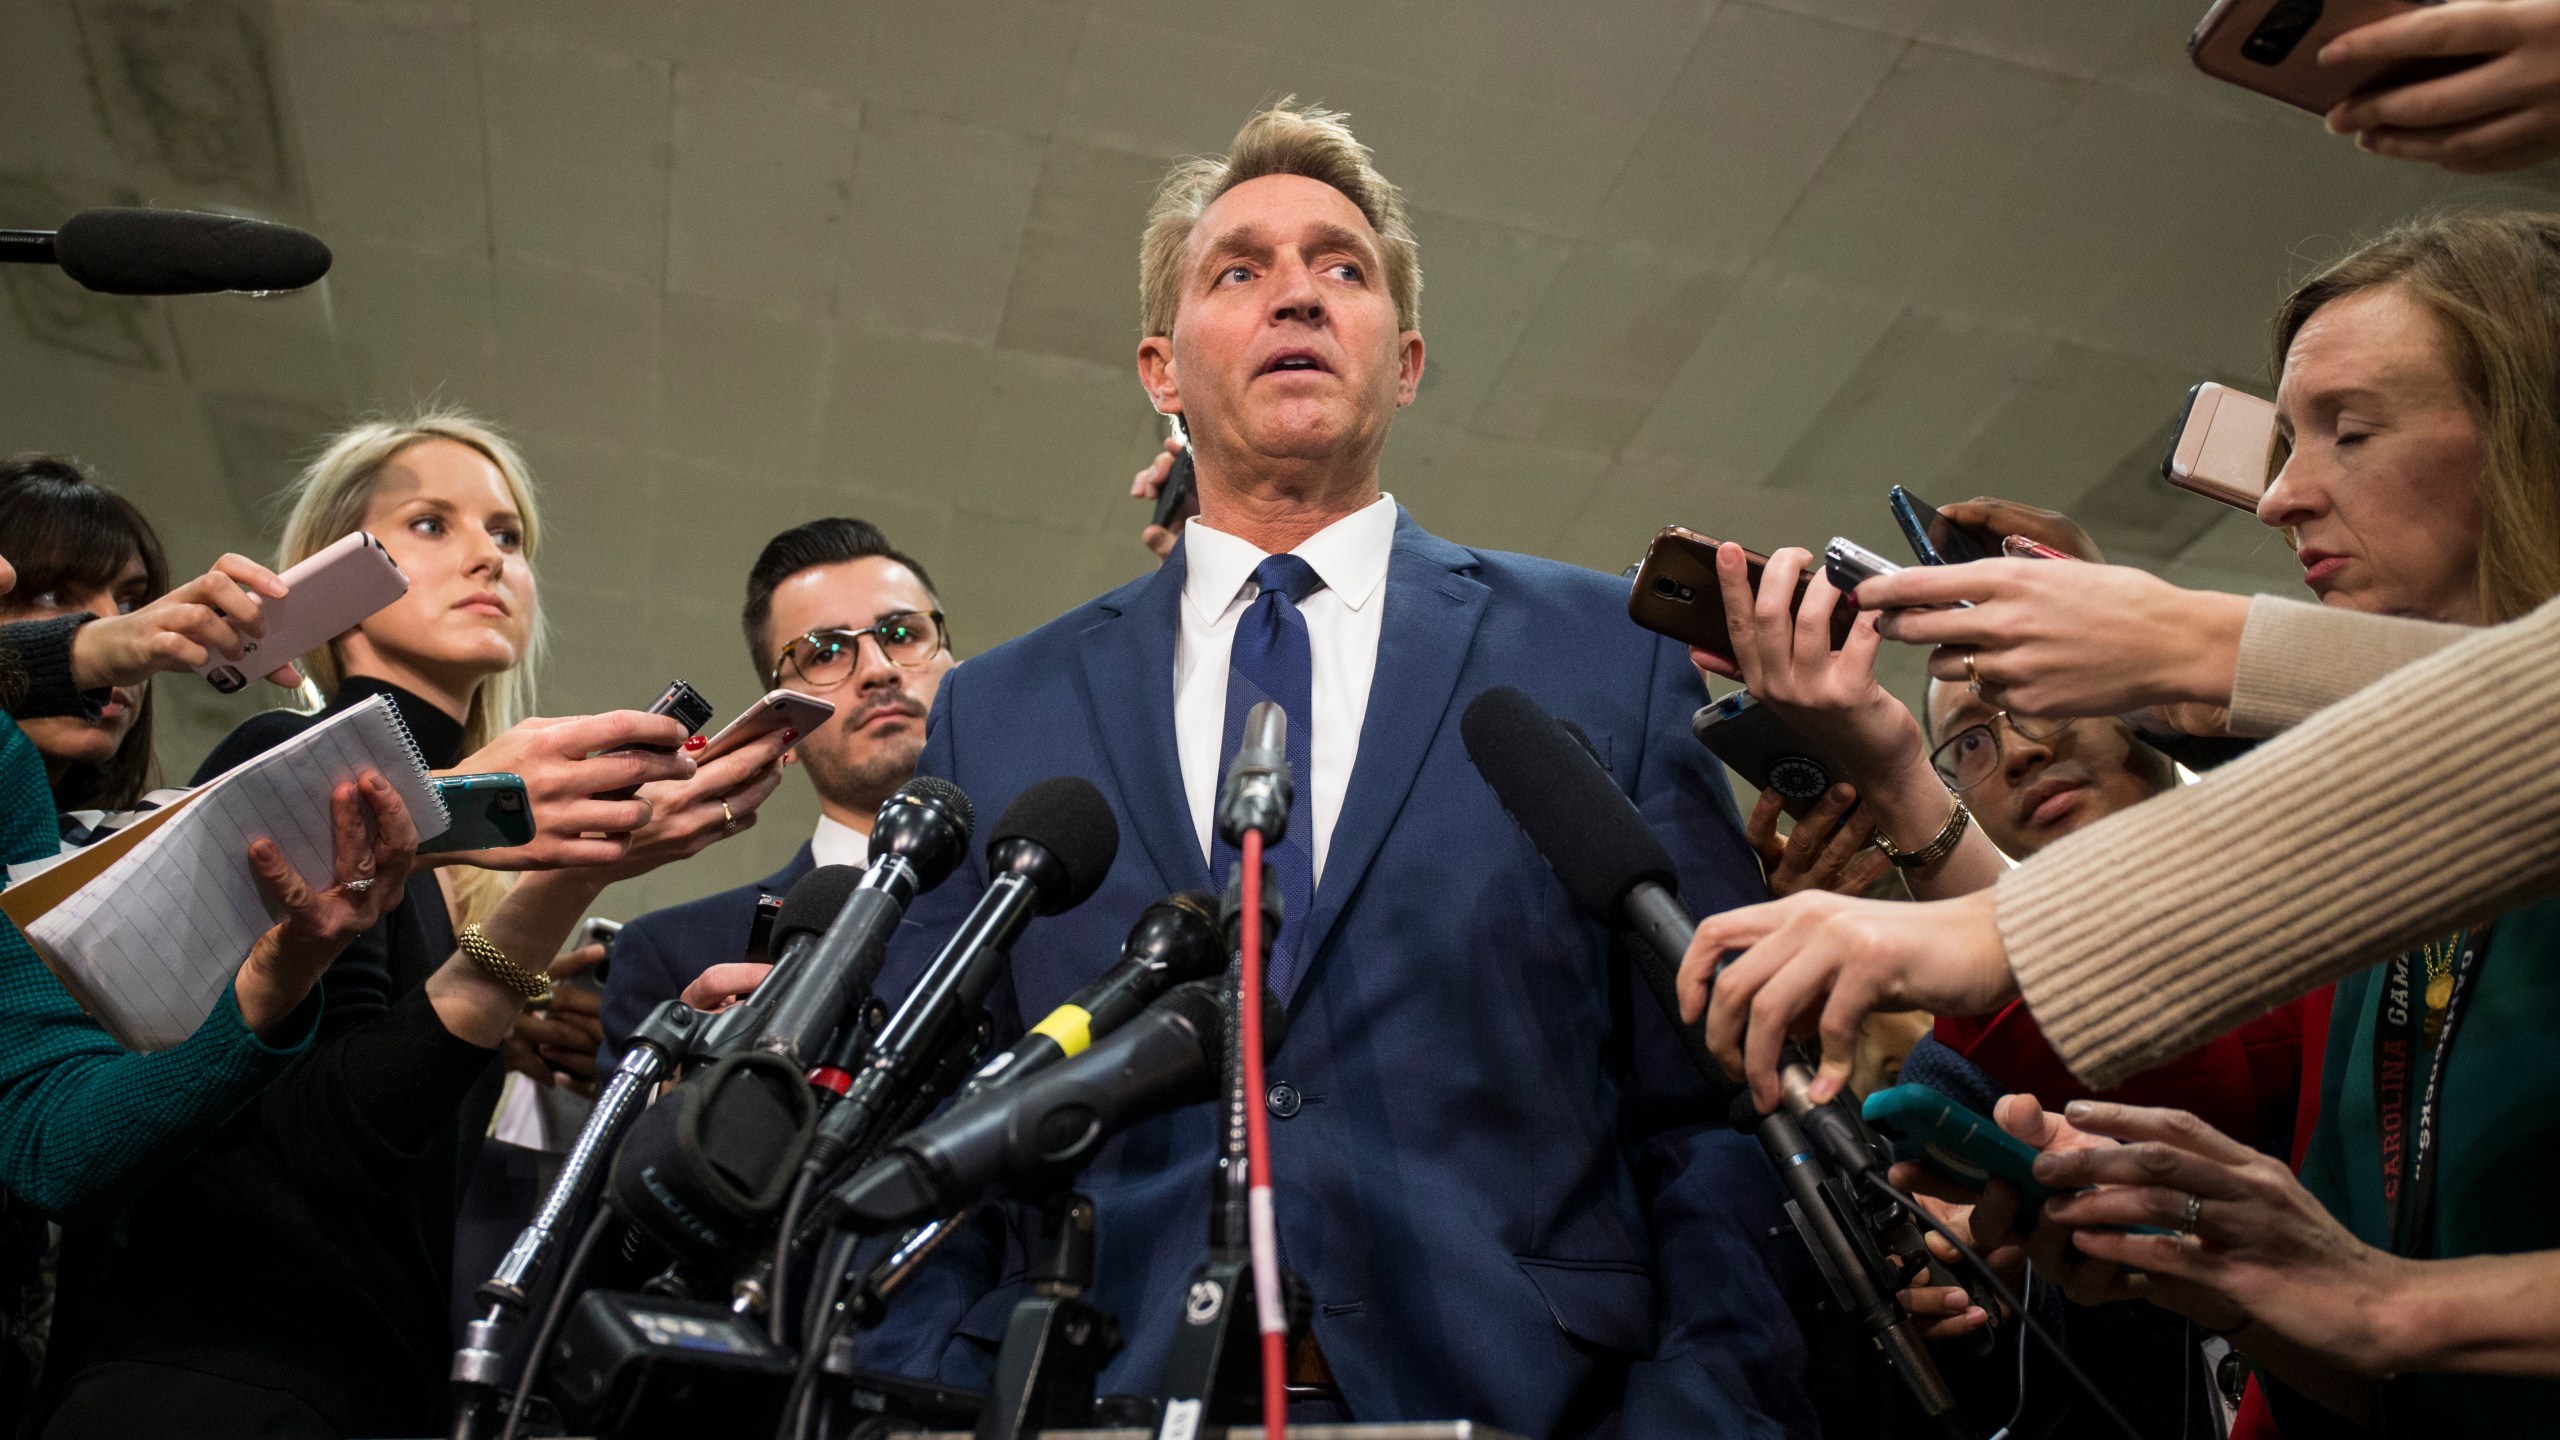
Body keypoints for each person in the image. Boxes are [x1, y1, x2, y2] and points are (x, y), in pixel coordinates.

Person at [849, 102, 1809, 1437]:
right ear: (1160, 370)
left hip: (1537, 1403)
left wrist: (1701, 1413)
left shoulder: (1605, 657)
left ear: (1404, 362)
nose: (1297, 290)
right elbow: (928, 1136)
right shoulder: (995, 713)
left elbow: (1715, 1106)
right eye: (1238, 270)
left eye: (1342, 267)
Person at [30, 409, 793, 1439]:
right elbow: (318, 1154)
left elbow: (410, 1179)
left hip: (369, 1389)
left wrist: (570, 870)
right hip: (205, 1380)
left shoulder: (465, 881)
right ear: (332, 581)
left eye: (509, 535)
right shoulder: (277, 757)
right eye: (432, 524)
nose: (487, 553)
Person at [602, 517, 954, 1053]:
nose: (879, 670)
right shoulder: (671, 954)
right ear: (781, 725)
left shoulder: (1077, 887)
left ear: (955, 664)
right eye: (825, 653)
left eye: (903, 635)